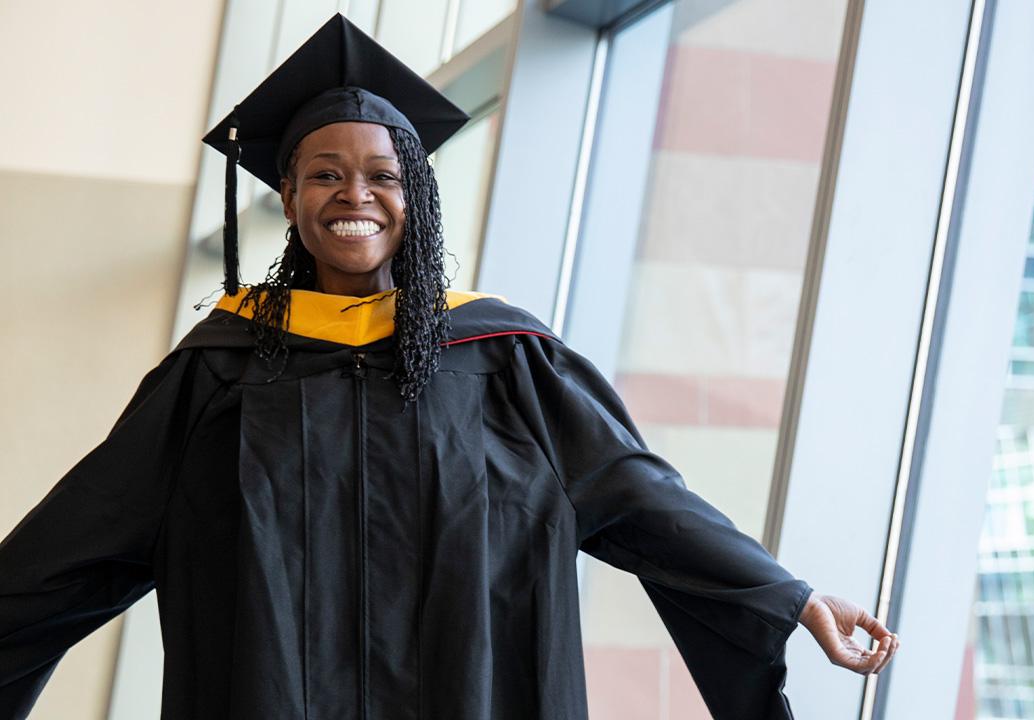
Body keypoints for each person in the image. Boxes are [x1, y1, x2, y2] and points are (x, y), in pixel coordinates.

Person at [0, 13, 898, 720]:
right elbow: (74, 544)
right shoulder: (216, 375)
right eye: (323, 175)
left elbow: (644, 499)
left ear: (415, 196)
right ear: (289, 197)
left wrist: (787, 594)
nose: (355, 195)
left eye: (383, 176)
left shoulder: (506, 363)